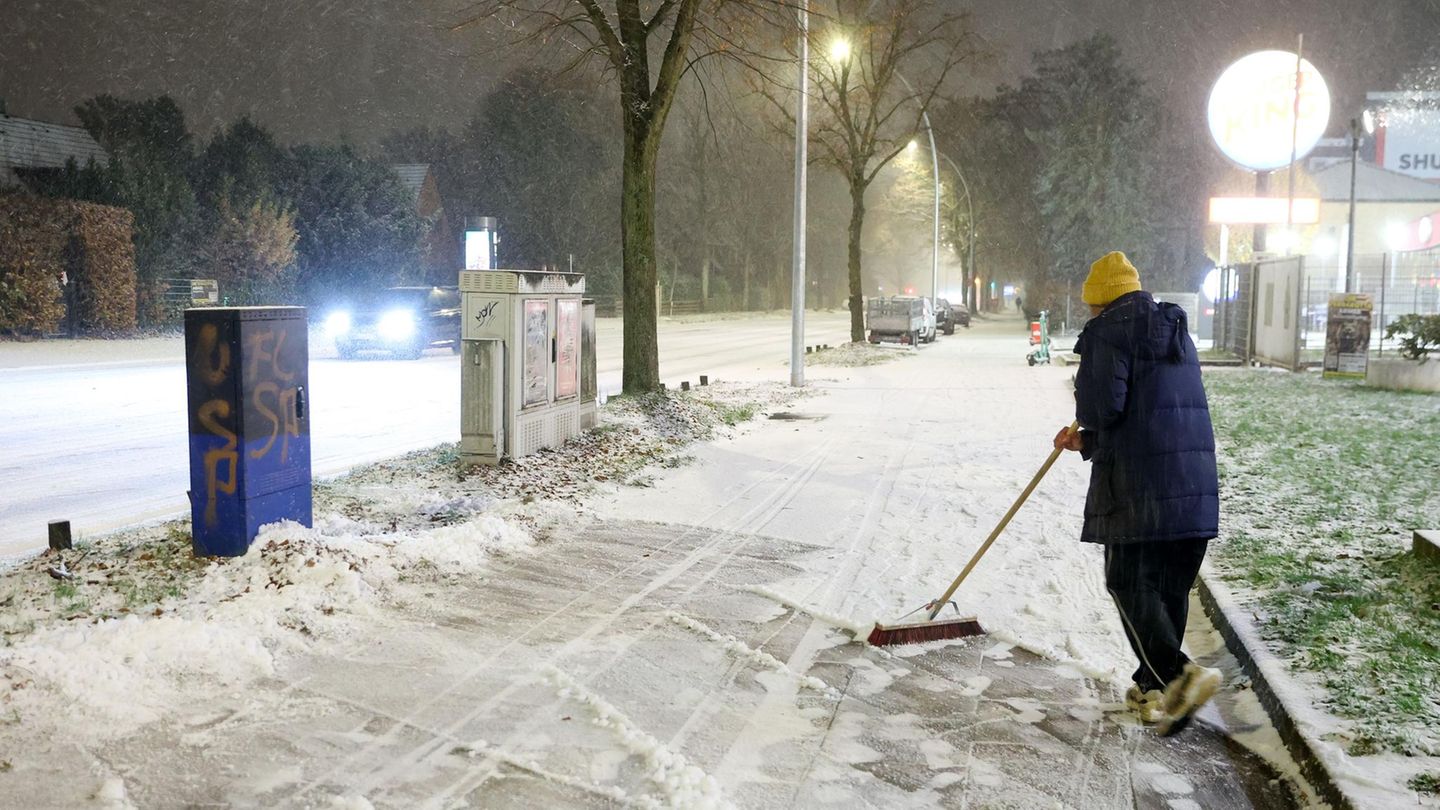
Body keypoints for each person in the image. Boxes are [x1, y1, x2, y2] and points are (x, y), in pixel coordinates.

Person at [1053, 251, 1222, 736]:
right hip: (1190, 486)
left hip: (1138, 489)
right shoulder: (1173, 329)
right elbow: (1146, 412)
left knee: (1127, 581)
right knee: (1164, 589)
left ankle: (1178, 675)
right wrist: (1087, 443)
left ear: (1100, 301)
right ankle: (1154, 691)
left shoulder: (1108, 332)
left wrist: (1086, 410)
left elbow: (1102, 409)